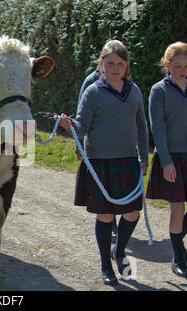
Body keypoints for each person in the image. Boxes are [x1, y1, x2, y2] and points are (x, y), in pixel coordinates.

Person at [58, 40, 149, 286]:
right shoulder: (93, 92)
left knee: (132, 213)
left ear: (126, 65)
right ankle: (106, 265)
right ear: (102, 64)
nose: (116, 68)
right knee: (106, 216)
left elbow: (142, 126)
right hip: (100, 162)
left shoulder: (135, 91)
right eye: (111, 64)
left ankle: (118, 251)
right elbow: (82, 126)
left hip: (128, 160)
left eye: (120, 64)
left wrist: (143, 157)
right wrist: (70, 126)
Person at [146, 41, 187, 278]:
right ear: (167, 65)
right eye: (177, 66)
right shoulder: (158, 90)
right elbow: (157, 129)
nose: (182, 70)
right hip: (170, 157)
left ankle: (176, 241)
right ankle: (179, 258)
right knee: (177, 208)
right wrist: (166, 161)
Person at [76, 66, 118, 242]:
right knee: (103, 186)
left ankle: (113, 222)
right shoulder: (90, 81)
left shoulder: (122, 82)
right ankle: (112, 224)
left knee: (115, 185)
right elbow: (80, 115)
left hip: (117, 145)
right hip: (95, 146)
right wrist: (78, 144)